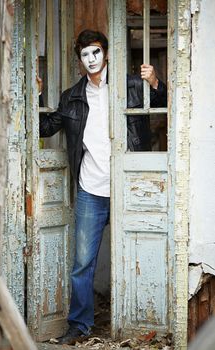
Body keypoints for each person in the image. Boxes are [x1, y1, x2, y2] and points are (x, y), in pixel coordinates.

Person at [39, 29, 167, 345]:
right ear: (80, 60)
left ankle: (143, 322)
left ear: (106, 53)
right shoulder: (72, 97)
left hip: (130, 187)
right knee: (83, 264)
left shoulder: (131, 86)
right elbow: (46, 126)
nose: (91, 59)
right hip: (90, 190)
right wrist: (36, 95)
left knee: (140, 252)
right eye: (85, 54)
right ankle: (79, 326)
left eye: (96, 52)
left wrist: (155, 83)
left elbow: (166, 107)